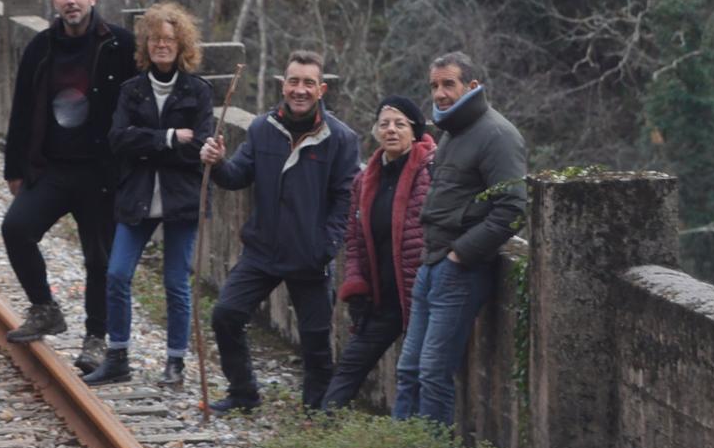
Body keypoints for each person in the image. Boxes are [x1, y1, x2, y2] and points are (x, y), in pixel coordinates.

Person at [198, 50, 359, 412]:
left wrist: (326, 246)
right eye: (294, 81)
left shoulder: (341, 138)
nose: (300, 90)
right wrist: (218, 162)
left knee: (315, 340)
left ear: (322, 89)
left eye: (308, 83)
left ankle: (316, 412)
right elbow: (236, 176)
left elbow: (346, 198)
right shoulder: (262, 128)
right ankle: (243, 393)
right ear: (282, 85)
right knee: (226, 314)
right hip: (263, 249)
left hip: (309, 256)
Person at [1, 0, 136, 372]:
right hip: (52, 168)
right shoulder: (41, 47)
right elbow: (22, 108)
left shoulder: (120, 45)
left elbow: (140, 101)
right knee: (16, 229)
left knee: (99, 260)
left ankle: (96, 339)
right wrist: (14, 168)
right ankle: (44, 308)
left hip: (101, 172)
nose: (71, 0)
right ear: (54, 0)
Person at [392, 52, 527, 427]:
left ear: (472, 86)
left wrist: (460, 254)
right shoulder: (451, 131)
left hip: (460, 271)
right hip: (432, 262)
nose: (440, 93)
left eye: (448, 84)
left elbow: (513, 208)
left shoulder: (497, 135)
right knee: (409, 370)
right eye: (434, 85)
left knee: (433, 373)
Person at [86, 4, 215, 387]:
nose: (162, 45)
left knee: (176, 282)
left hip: (181, 199)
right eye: (155, 39)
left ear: (181, 45)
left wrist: (146, 144)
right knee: (116, 274)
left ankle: (175, 363)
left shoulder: (198, 91)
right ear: (145, 44)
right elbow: (117, 140)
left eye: (169, 39)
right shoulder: (132, 90)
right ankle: (117, 356)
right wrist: (170, 138)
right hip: (137, 195)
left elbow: (201, 146)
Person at [320, 97, 434, 411]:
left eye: (400, 124)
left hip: (419, 294)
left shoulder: (431, 172)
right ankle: (322, 422)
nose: (391, 130)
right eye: (384, 124)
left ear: (415, 131)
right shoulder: (365, 180)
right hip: (382, 297)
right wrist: (357, 285)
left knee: (419, 374)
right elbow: (354, 239)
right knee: (351, 363)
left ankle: (417, 436)